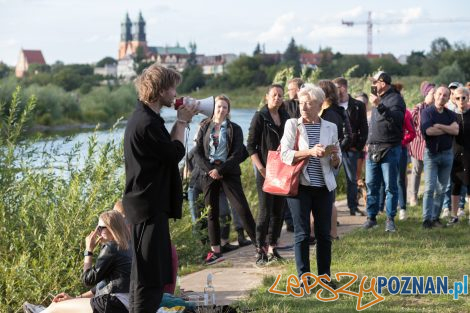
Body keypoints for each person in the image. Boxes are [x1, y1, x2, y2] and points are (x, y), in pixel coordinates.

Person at [123, 64, 198, 313]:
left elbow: (168, 152)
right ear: (160, 90)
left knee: (146, 275)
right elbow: (174, 153)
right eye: (172, 87)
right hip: (147, 207)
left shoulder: (146, 119)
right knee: (150, 277)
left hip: (146, 206)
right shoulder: (146, 123)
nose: (175, 93)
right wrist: (182, 122)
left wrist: (180, 123)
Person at [280, 83, 341, 285]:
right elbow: (285, 155)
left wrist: (334, 159)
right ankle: (304, 279)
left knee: (324, 234)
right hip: (300, 187)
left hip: (323, 187)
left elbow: (337, 157)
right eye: (301, 103)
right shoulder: (292, 125)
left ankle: (324, 277)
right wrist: (310, 152)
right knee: (302, 233)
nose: (304, 107)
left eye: (309, 103)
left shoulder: (331, 127)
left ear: (320, 105)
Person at [23, 210, 132, 313]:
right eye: (97, 228)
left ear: (112, 228)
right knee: (61, 305)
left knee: (57, 306)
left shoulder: (111, 247)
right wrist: (76, 298)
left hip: (113, 303)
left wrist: (88, 251)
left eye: (101, 228)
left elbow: (88, 280)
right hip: (124, 304)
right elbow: (101, 285)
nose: (98, 232)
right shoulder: (128, 247)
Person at [194, 94, 257, 265]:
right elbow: (197, 152)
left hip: (228, 172)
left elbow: (237, 154)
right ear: (214, 108)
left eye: (225, 107)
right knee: (211, 213)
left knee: (242, 208)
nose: (221, 110)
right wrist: (211, 170)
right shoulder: (204, 126)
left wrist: (220, 169)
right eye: (219, 106)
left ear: (228, 110)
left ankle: (260, 247)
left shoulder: (234, 128)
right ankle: (215, 252)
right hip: (208, 174)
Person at [247, 84, 291, 266]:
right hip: (266, 169)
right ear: (267, 97)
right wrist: (261, 168)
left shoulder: (286, 117)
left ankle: (273, 246)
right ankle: (260, 249)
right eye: (274, 95)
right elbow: (251, 146)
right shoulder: (260, 117)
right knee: (265, 210)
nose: (277, 98)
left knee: (278, 210)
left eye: (280, 95)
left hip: (283, 168)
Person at [363, 71, 405, 232]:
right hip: (373, 147)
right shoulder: (376, 99)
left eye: (375, 81)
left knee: (390, 187)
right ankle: (371, 218)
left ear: (383, 83)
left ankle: (390, 219)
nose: (372, 84)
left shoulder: (396, 99)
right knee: (371, 185)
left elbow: (397, 119)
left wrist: (380, 105)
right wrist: (368, 142)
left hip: (389, 148)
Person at [318, 80, 352, 240]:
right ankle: (330, 232)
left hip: (330, 158)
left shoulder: (330, 113)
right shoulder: (335, 110)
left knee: (327, 197)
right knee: (328, 196)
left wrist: (335, 150)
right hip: (332, 156)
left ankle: (331, 233)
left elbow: (337, 137)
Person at [421, 86, 459, 229]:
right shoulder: (427, 112)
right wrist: (446, 129)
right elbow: (429, 131)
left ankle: (435, 218)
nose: (442, 97)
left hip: (447, 154)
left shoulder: (450, 114)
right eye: (440, 94)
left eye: (445, 95)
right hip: (431, 154)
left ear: (448, 98)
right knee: (430, 188)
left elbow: (455, 130)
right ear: (435, 95)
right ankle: (426, 220)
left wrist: (440, 126)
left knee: (442, 188)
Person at [333, 77, 368, 216]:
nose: (336, 91)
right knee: (332, 179)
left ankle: (353, 207)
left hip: (351, 149)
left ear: (344, 87)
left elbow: (364, 128)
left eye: (338, 87)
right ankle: (331, 211)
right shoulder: (331, 105)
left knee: (352, 179)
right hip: (336, 147)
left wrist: (358, 146)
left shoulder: (358, 105)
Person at [408, 82, 435, 206]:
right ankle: (413, 196)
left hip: (433, 146)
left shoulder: (437, 109)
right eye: (432, 93)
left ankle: (428, 196)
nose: (435, 96)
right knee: (416, 171)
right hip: (418, 145)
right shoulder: (418, 108)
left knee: (431, 172)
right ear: (426, 94)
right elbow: (410, 125)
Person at [447, 87, 470, 225]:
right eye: (458, 98)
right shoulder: (450, 115)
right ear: (453, 99)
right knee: (455, 185)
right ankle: (454, 216)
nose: (461, 100)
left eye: (463, 98)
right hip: (455, 154)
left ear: (468, 98)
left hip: (469, 154)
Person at [397, 108, 416, 220]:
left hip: (400, 148)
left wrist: (401, 142)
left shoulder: (405, 112)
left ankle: (403, 208)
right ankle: (380, 207)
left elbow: (412, 133)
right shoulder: (378, 108)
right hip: (384, 148)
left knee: (400, 179)